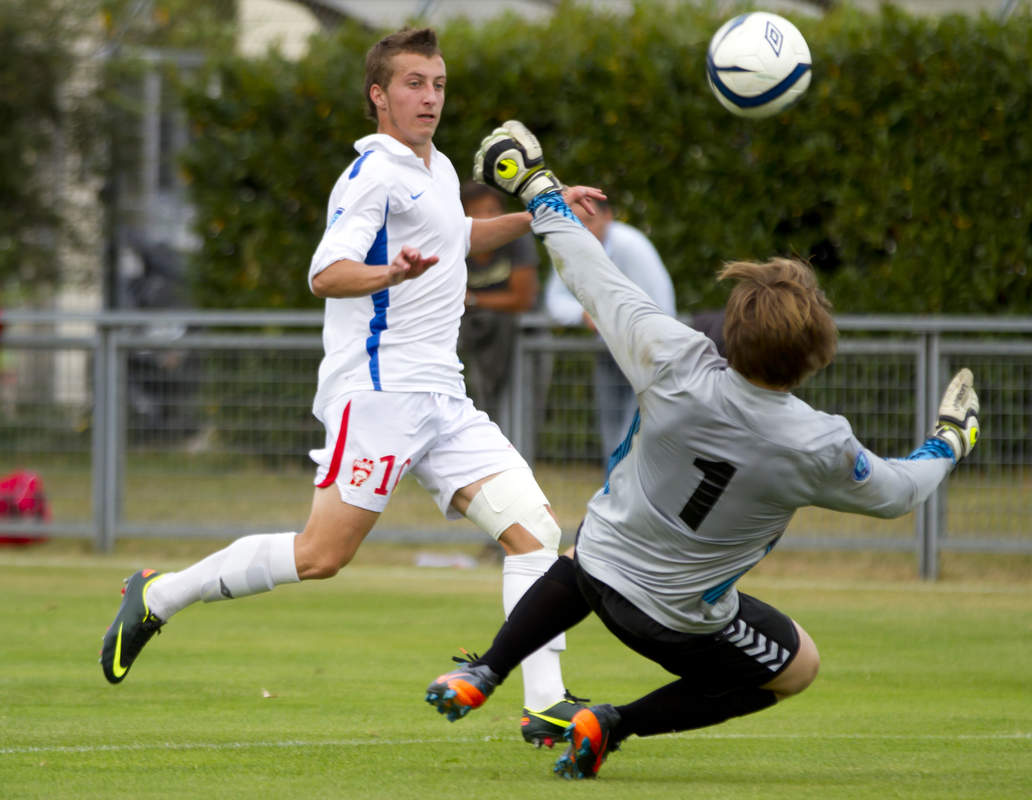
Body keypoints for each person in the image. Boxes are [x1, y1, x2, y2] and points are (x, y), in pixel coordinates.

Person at [424, 122, 981, 779]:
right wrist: (950, 439)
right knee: (797, 667)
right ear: (813, 357)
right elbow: (897, 493)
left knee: (588, 548)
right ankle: (614, 723)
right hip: (677, 622)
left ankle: (487, 668)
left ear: (732, 326)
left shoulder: (677, 358)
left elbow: (589, 271)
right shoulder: (817, 442)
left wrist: (538, 183)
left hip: (595, 576)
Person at [98, 30, 604, 749]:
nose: (429, 97)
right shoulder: (371, 177)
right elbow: (325, 273)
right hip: (378, 393)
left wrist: (545, 215)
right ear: (379, 94)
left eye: (437, 84)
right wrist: (389, 274)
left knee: (536, 535)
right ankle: (158, 594)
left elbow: (459, 236)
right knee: (321, 556)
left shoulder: (434, 168)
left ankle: (545, 702)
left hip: (441, 397)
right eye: (413, 84)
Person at [543, 197, 675, 459]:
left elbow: (661, 303)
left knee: (636, 432)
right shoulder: (568, 248)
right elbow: (554, 302)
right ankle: (612, 490)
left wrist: (611, 317)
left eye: (589, 221)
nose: (584, 230)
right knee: (611, 431)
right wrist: (585, 313)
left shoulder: (632, 246)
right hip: (610, 352)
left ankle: (625, 489)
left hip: (649, 355)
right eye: (577, 222)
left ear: (608, 216)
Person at [457, 181, 540, 426]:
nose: (486, 217)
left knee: (519, 411)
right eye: (477, 211)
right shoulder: (453, 240)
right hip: (470, 336)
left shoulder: (517, 239)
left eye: (492, 210)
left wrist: (472, 299)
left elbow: (523, 300)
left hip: (522, 338)